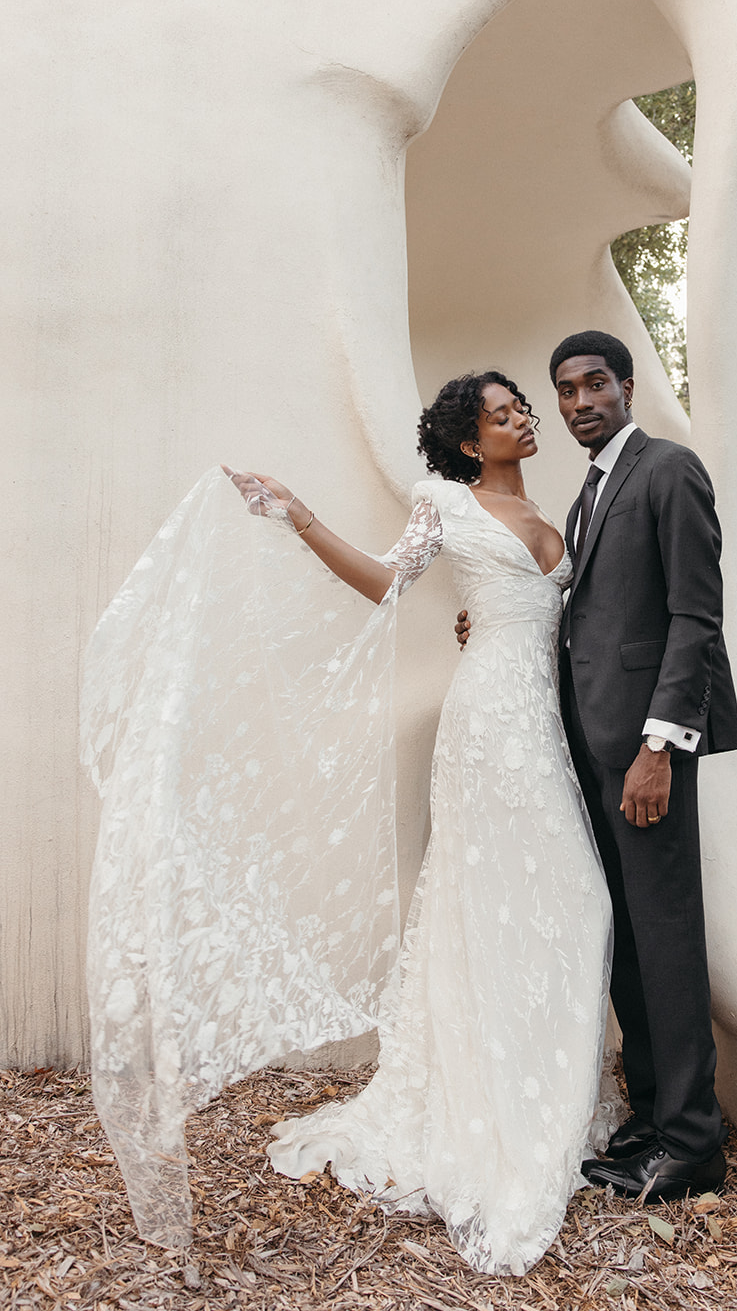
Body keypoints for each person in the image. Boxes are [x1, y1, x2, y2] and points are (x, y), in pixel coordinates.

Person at [88, 370, 615, 1278]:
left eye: (521, 407)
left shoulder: (560, 511)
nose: (523, 419)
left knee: (569, 906)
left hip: (545, 724)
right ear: (465, 441)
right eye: (501, 415)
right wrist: (300, 516)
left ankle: (547, 1092)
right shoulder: (442, 503)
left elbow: (554, 614)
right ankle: (492, 1106)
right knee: (494, 904)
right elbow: (384, 583)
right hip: (489, 728)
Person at [458, 331, 737, 1202]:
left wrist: (659, 746)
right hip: (586, 750)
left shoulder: (667, 470)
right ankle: (654, 1118)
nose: (580, 402)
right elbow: (580, 611)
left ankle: (694, 1144)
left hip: (644, 755)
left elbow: (694, 617)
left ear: (626, 385)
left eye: (595, 385)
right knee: (624, 939)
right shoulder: (585, 495)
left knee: (667, 938)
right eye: (565, 391)